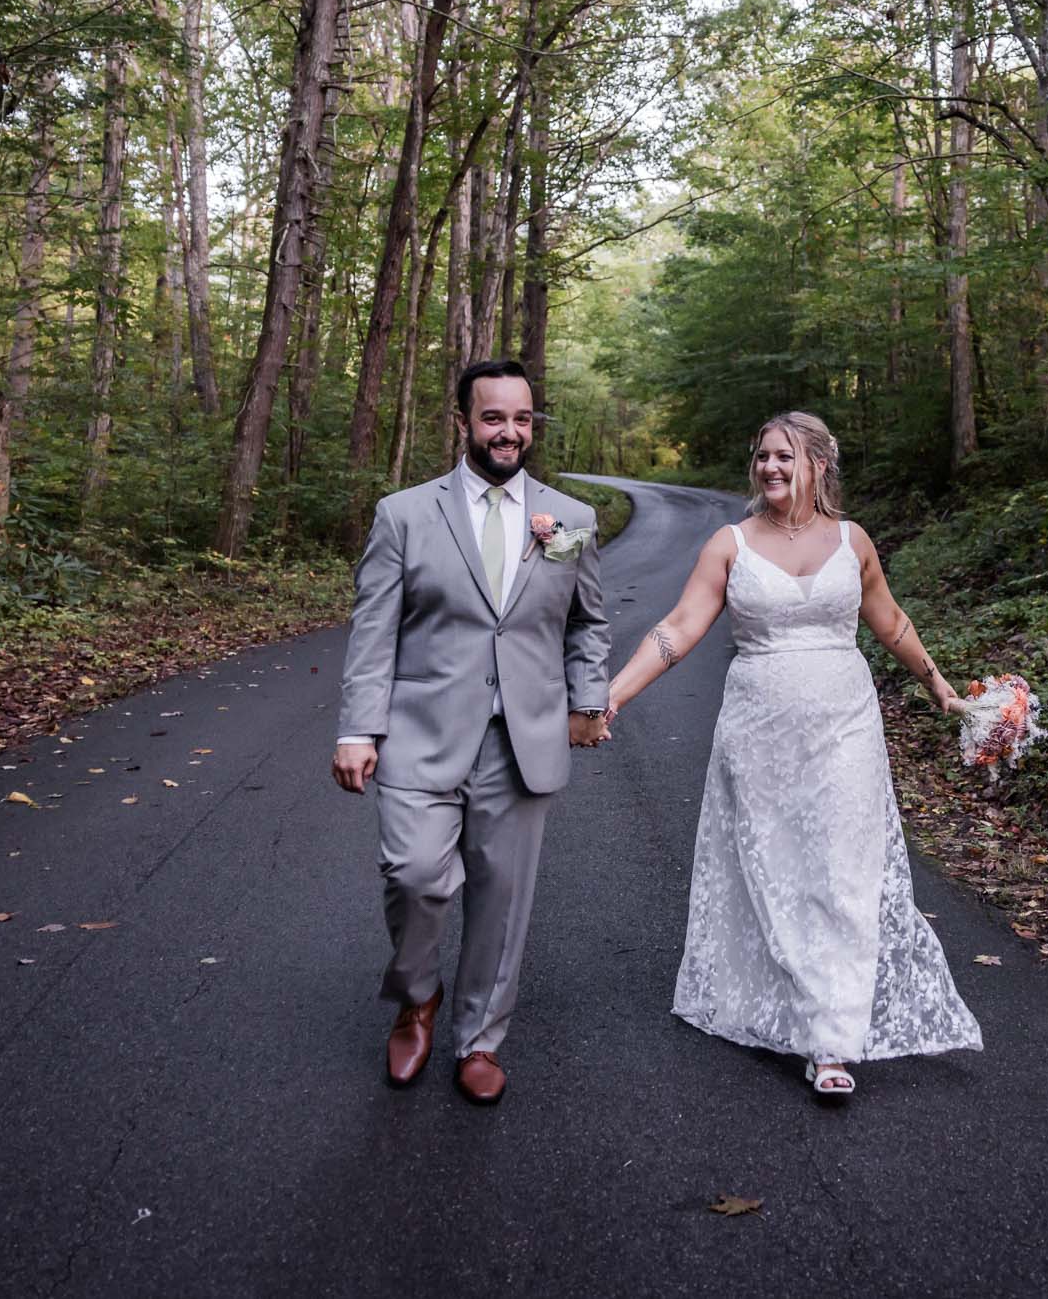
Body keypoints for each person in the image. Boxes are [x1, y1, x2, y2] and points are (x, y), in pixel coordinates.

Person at [602, 411, 982, 1096]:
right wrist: (615, 694)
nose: (770, 467)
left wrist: (938, 685)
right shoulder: (729, 543)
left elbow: (890, 621)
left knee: (841, 870)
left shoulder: (852, 540)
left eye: (784, 456)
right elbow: (680, 627)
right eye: (762, 457)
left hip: (846, 726)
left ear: (819, 464)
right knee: (778, 869)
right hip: (759, 730)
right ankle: (801, 1000)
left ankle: (828, 1040)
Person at [332, 359, 612, 1103]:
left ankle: (480, 1036)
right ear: (463, 423)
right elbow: (373, 629)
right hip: (419, 731)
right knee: (416, 875)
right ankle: (417, 993)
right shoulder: (404, 514)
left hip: (523, 737)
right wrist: (358, 726)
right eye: (493, 417)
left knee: (503, 895)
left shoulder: (570, 519)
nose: (509, 432)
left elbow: (588, 622)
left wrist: (588, 700)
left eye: (521, 419)